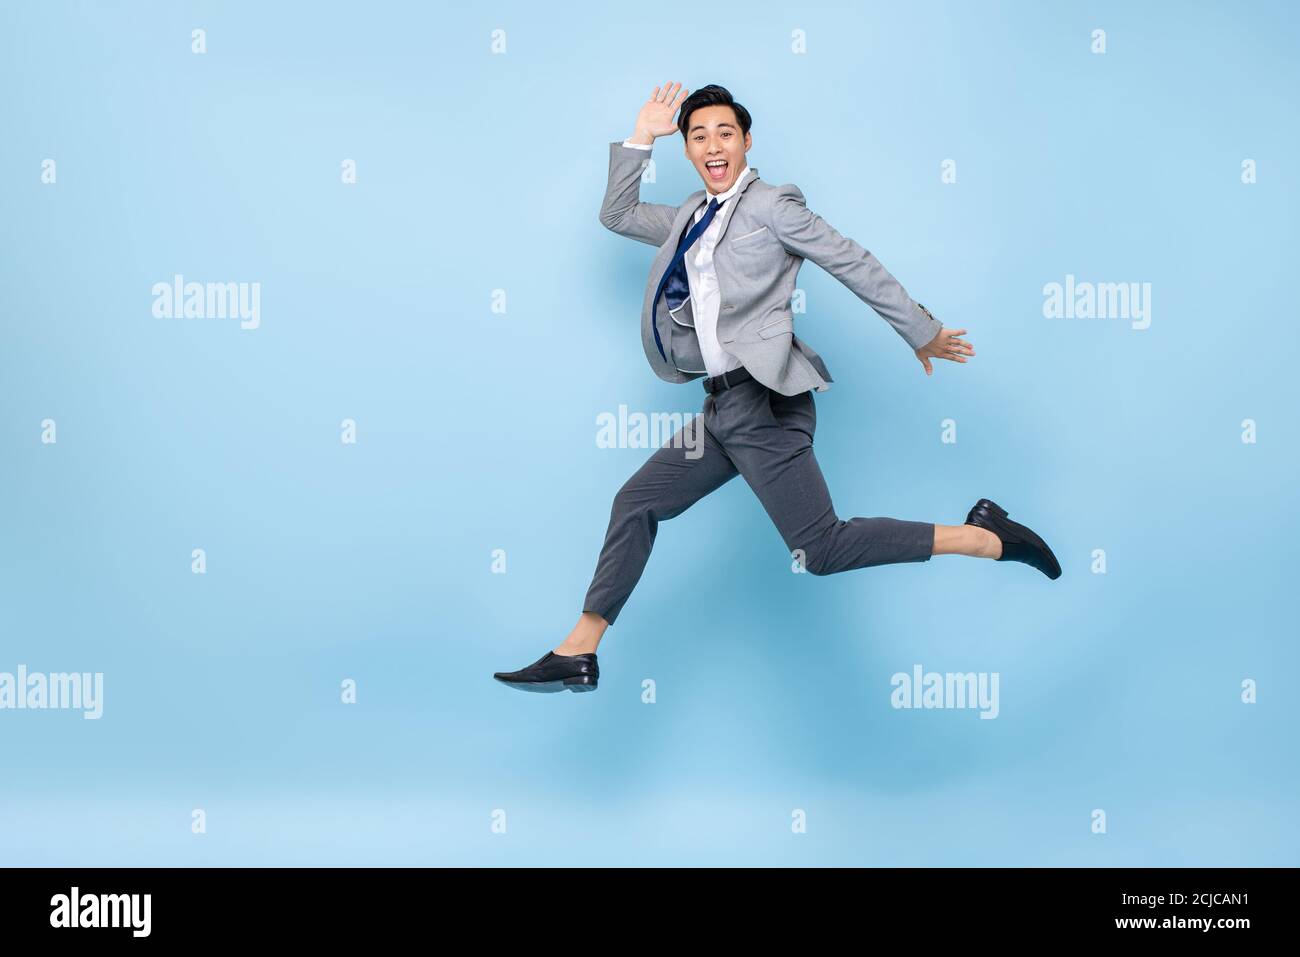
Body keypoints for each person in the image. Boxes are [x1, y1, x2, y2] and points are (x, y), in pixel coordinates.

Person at [495, 82, 1059, 694]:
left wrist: (919, 331)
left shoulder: (773, 207)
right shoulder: (687, 215)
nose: (713, 145)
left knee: (821, 549)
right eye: (698, 135)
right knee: (636, 503)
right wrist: (641, 136)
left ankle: (983, 538)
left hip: (764, 401)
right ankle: (580, 650)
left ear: (746, 142)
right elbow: (617, 215)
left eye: (725, 134)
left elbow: (851, 261)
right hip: (720, 410)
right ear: (687, 148)